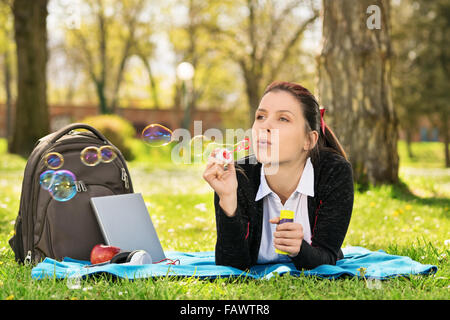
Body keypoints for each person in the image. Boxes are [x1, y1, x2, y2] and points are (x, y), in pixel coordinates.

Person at [202, 81, 354, 271]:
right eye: (260, 116)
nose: (265, 125)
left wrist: (299, 249)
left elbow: (327, 258)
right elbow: (231, 266)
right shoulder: (237, 176)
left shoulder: (333, 172)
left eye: (283, 119)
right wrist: (228, 200)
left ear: (309, 140)